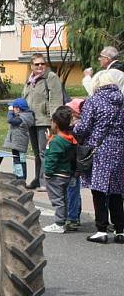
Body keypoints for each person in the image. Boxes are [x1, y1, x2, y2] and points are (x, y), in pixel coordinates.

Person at [72, 71, 124, 244]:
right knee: (117, 191)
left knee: (99, 190)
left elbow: (84, 127)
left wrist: (75, 130)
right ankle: (120, 230)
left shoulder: (94, 101)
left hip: (100, 150)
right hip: (120, 150)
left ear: (97, 84)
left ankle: (101, 230)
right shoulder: (122, 100)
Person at [21, 53, 65, 190]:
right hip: (31, 121)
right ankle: (37, 178)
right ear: (31, 66)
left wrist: (55, 121)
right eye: (37, 64)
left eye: (42, 63)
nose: (40, 66)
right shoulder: (30, 80)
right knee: (36, 153)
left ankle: (45, 181)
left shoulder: (51, 78)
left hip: (45, 121)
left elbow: (56, 100)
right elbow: (25, 98)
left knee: (44, 152)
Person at [42, 106, 78, 233]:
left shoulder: (56, 141)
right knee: (64, 198)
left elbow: (51, 158)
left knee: (57, 200)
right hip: (67, 174)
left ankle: (59, 223)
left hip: (56, 175)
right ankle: (63, 220)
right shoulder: (70, 138)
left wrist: (47, 173)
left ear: (55, 124)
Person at [64, 98, 85, 231]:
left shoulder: (76, 129)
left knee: (72, 192)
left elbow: (74, 151)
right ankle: (75, 215)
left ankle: (72, 218)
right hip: (75, 167)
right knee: (74, 192)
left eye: (70, 110)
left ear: (76, 113)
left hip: (73, 167)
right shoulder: (76, 127)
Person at [3, 98, 33, 181]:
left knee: (19, 161)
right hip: (18, 143)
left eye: (14, 108)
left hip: (18, 144)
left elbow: (10, 120)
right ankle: (18, 176)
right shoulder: (26, 116)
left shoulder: (21, 119)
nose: (12, 110)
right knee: (18, 160)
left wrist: (10, 111)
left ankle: (21, 179)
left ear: (18, 109)